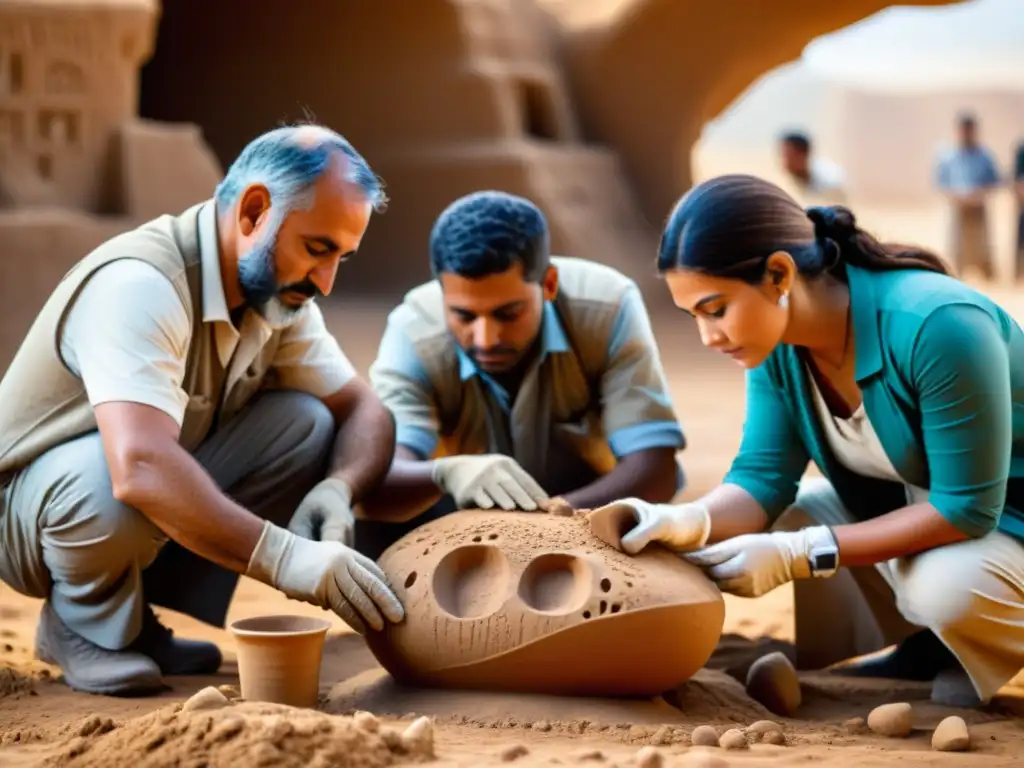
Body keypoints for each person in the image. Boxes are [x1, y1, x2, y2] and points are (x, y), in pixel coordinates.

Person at [0, 125, 406, 697]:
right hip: (28, 513)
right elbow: (138, 466)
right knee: (116, 472)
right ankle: (83, 625)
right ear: (254, 211)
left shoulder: (273, 293)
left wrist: (339, 487)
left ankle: (131, 619)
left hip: (122, 489)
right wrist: (285, 558)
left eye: (342, 256)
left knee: (306, 425)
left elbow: (362, 407)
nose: (327, 281)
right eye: (318, 249)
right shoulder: (142, 285)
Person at [593, 174, 1024, 708]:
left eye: (716, 309)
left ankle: (967, 640)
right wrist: (686, 521)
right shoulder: (778, 345)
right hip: (930, 510)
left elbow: (967, 510)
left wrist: (805, 553)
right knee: (790, 518)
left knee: (944, 588)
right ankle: (929, 649)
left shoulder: (937, 324)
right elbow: (762, 479)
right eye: (693, 317)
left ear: (779, 274)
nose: (709, 337)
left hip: (1006, 521)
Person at [356, 190, 687, 559]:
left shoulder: (607, 306)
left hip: (590, 506)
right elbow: (380, 480)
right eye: (464, 316)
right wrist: (445, 473)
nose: (486, 338)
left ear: (548, 284)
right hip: (458, 515)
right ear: (442, 291)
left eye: (508, 313)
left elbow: (655, 468)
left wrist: (548, 522)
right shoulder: (413, 331)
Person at [934, 112, 1001, 279]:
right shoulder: (947, 156)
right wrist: (957, 197)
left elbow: (995, 181)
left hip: (979, 210)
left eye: (969, 130)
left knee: (982, 248)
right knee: (957, 249)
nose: (966, 133)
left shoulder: (985, 155)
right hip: (958, 209)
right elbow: (941, 182)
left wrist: (979, 195)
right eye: (963, 130)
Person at [777, 131, 847, 206]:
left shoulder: (831, 181)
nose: (784, 161)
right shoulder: (786, 182)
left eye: (788, 156)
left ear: (802, 154)